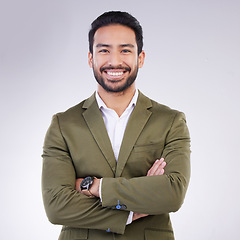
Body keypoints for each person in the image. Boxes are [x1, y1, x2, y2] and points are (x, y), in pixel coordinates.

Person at [42, 11, 191, 240]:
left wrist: (95, 187)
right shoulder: (63, 124)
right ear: (91, 58)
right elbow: (56, 206)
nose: (114, 61)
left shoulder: (171, 121)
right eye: (104, 50)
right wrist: (132, 211)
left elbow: (172, 194)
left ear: (140, 58)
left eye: (125, 50)